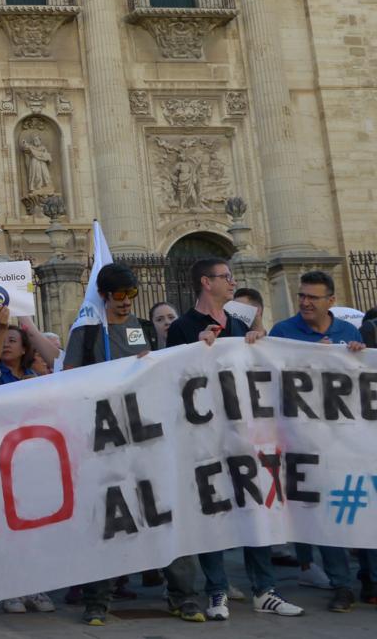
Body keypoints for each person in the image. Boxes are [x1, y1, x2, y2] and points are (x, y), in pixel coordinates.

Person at [61, 263, 201, 626]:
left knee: (164, 511)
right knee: (107, 520)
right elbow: (69, 383)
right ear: (105, 296)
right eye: (120, 296)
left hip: (147, 436)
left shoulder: (143, 330)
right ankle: (97, 600)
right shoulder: (88, 334)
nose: (126, 303)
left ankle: (184, 595)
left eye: (132, 295)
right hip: (105, 440)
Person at [166, 258, 302, 620]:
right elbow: (173, 377)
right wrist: (197, 350)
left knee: (256, 506)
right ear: (206, 283)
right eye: (226, 277)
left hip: (248, 432)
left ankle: (265, 589)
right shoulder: (182, 327)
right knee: (213, 509)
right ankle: (217, 591)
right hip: (207, 435)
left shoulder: (241, 321)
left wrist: (259, 339)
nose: (232, 282)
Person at [267, 270, 368, 613]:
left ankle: (369, 580)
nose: (306, 302)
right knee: (329, 516)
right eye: (302, 296)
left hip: (348, 442)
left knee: (360, 507)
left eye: (313, 297)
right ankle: (341, 585)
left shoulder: (348, 332)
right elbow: (271, 375)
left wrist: (354, 355)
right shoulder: (283, 332)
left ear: (331, 301)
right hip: (307, 443)